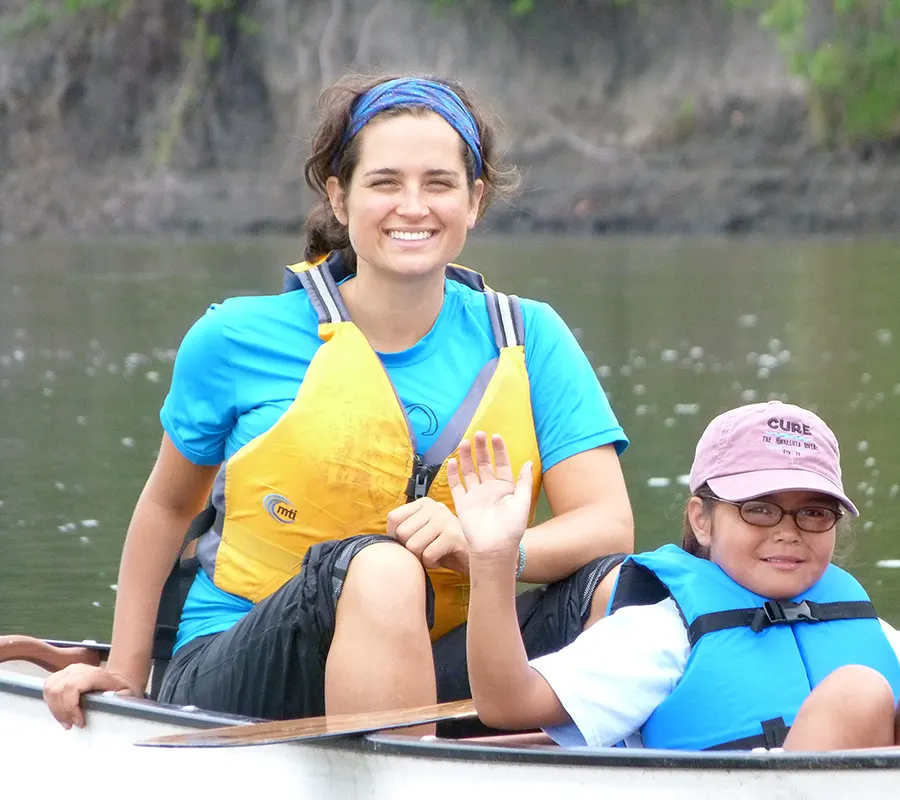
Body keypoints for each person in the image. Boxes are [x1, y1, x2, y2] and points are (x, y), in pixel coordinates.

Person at [42, 73, 634, 733]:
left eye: (438, 183)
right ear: (341, 198)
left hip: (447, 656)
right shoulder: (235, 337)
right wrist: (125, 669)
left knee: (625, 589)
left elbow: (607, 525)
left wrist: (491, 549)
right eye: (385, 182)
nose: (413, 206)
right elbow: (167, 506)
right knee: (382, 569)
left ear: (474, 202)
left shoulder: (532, 337)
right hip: (241, 665)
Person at [453, 400, 900, 751]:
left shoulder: (863, 627)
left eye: (813, 513)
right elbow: (509, 706)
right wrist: (493, 560)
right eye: (760, 509)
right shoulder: (661, 634)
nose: (789, 532)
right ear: (702, 520)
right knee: (860, 693)